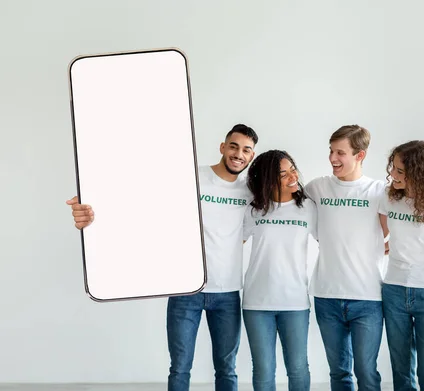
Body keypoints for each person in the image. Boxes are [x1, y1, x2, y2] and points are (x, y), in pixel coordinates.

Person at [67, 124, 259, 391]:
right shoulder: (193, 177)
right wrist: (93, 203)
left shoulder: (250, 193)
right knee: (180, 368)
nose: (239, 154)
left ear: (251, 156)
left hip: (227, 293)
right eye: (234, 146)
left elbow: (248, 232)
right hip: (186, 289)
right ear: (223, 147)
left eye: (246, 150)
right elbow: (144, 196)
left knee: (226, 369)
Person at [304, 125, 386, 391]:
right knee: (339, 373)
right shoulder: (317, 188)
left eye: (341, 152)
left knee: (366, 372)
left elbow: (402, 229)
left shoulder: (379, 191)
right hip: (326, 295)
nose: (332, 158)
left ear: (360, 155)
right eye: (331, 151)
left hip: (368, 297)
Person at [378, 141, 424, 391]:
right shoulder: (388, 198)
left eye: (400, 171)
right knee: (401, 370)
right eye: (393, 169)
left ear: (418, 172)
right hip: (394, 290)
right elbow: (377, 237)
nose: (393, 175)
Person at [242, 149, 317, 391]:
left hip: (295, 302)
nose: (292, 176)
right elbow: (229, 241)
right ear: (267, 179)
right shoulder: (253, 209)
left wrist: (381, 242)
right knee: (263, 370)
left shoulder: (308, 208)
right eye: (283, 173)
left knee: (297, 368)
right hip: (257, 303)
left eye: (292, 169)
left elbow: (333, 238)